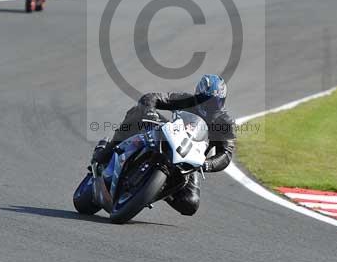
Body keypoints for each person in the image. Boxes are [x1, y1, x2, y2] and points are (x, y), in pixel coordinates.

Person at [91, 74, 236, 216]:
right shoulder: (186, 100)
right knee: (137, 112)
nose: (210, 105)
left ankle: (155, 189)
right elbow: (151, 98)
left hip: (189, 158)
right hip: (168, 137)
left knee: (190, 204)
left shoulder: (225, 122)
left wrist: (207, 164)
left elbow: (226, 154)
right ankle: (108, 150)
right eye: (206, 100)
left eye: (216, 102)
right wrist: (150, 113)